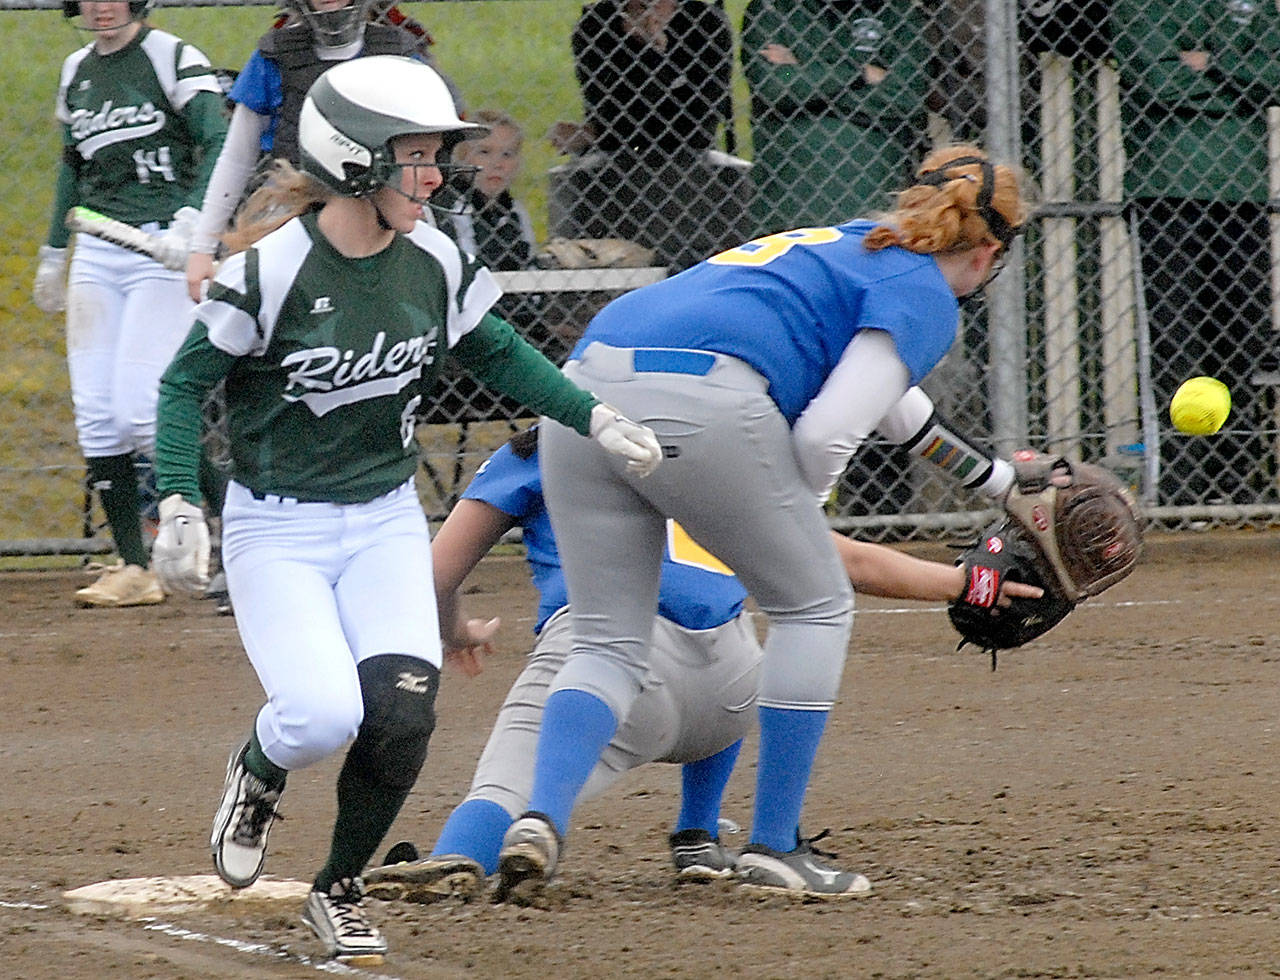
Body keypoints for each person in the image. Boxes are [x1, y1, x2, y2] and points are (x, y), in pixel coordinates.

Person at [150, 56, 660, 965]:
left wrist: (595, 416)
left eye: (435, 157)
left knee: (402, 711)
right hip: (279, 527)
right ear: (355, 162)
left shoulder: (433, 260)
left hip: (383, 517)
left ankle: (337, 889)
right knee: (318, 717)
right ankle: (261, 769)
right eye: (416, 157)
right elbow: (186, 385)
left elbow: (501, 355)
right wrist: (182, 496)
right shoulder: (271, 272)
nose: (435, 176)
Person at [491, 145, 1029, 901]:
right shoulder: (928, 292)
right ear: (988, 252)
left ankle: (540, 817)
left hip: (582, 389)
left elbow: (893, 406)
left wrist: (1001, 483)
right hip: (700, 399)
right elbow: (825, 436)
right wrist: (796, 527)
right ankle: (775, 846)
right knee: (815, 602)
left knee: (609, 637)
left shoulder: (854, 243)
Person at [360, 427, 1042, 902]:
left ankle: (476, 847)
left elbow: (435, 576)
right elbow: (852, 562)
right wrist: (967, 582)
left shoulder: (539, 445)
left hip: (612, 680)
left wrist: (459, 630)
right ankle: (696, 833)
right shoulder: (719, 446)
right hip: (733, 692)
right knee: (741, 618)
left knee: (499, 805)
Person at [32, 0, 227, 607]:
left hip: (164, 244)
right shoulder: (76, 70)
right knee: (96, 413)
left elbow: (218, 140)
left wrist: (195, 223)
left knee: (144, 409)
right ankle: (135, 565)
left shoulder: (171, 57)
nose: (102, 6)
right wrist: (54, 251)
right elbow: (73, 166)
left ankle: (247, 527)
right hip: (99, 243)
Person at [1111, 0, 1278, 505]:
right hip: (1166, 193)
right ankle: (1181, 489)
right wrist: (1236, 75)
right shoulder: (1143, 7)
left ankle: (1234, 486)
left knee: (1240, 338)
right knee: (1175, 339)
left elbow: (1272, 76)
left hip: (1241, 193)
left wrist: (1211, 61)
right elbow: (1159, 82)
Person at [183, 0, 452, 304]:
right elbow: (236, 157)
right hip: (294, 204)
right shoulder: (276, 55)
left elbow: (427, 142)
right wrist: (202, 247)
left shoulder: (398, 54)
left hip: (384, 204)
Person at [547, 0, 751, 270]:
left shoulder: (705, 22)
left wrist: (655, 53)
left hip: (687, 164)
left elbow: (696, 122)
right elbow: (608, 107)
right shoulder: (597, 23)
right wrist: (650, 59)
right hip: (614, 166)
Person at [741, 0, 934, 236]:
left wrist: (803, 72)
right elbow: (776, 86)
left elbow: (904, 100)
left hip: (873, 207)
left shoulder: (901, 15)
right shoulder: (772, 9)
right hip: (786, 207)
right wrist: (860, 73)